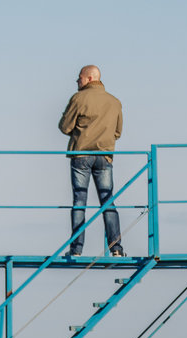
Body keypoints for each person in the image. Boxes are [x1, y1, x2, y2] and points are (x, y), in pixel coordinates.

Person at [58, 65, 125, 257]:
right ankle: (116, 248)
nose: (77, 81)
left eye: (79, 78)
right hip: (104, 156)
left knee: (80, 201)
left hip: (81, 155)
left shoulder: (78, 98)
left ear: (88, 78)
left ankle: (76, 249)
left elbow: (64, 127)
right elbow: (118, 132)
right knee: (108, 201)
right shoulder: (115, 102)